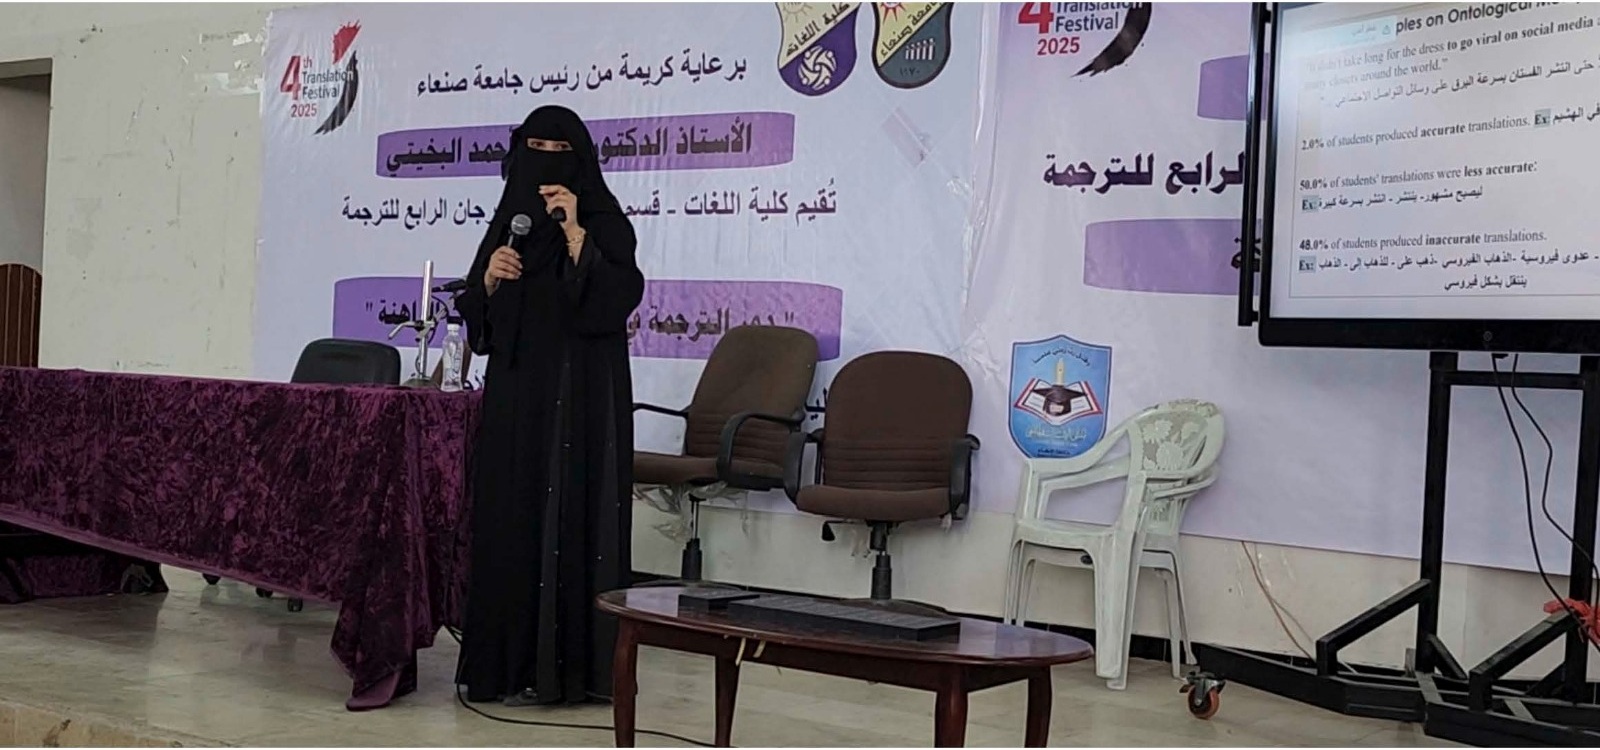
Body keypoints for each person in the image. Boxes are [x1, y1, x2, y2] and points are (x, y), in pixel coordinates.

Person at [454, 105, 644, 706]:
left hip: (578, 398)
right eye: (535, 150)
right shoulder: (508, 223)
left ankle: (572, 670)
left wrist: (575, 233)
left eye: (559, 153)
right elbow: (478, 317)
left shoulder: (604, 220)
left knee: (570, 516)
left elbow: (618, 297)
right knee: (511, 514)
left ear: (580, 161)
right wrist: (489, 280)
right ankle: (505, 666)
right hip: (516, 394)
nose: (546, 164)